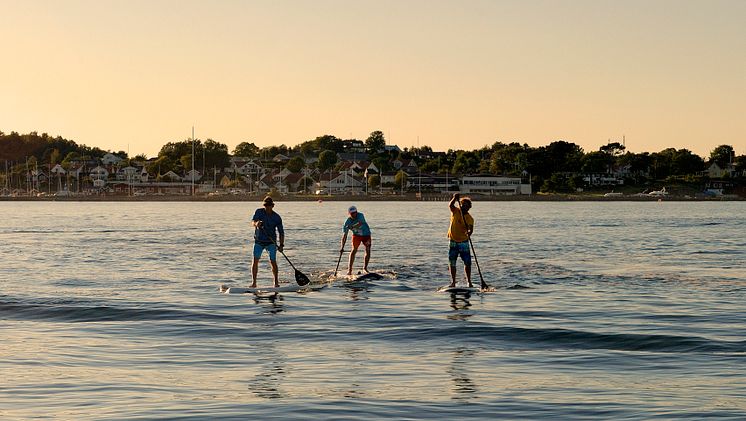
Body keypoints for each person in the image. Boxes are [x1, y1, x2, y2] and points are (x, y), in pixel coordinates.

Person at [251, 196, 284, 288]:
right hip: (259, 241)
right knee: (255, 261)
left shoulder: (277, 217)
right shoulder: (259, 212)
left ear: (272, 206)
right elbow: (253, 222)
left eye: (269, 205)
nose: (267, 207)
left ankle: (276, 282)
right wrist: (256, 224)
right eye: (266, 205)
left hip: (271, 242)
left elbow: (281, 232)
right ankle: (254, 283)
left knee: (273, 261)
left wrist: (281, 245)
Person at [447, 193, 473, 288]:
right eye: (463, 205)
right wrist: (454, 198)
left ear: (469, 208)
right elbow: (450, 205)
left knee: (467, 262)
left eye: (467, 206)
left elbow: (471, 229)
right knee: (452, 262)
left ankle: (469, 282)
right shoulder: (455, 211)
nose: (464, 207)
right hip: (453, 241)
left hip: (463, 242)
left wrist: (469, 232)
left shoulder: (469, 218)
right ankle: (453, 282)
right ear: (460, 205)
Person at [341, 205, 371, 275]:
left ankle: (365, 268)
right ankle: (350, 270)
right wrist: (342, 247)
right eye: (352, 213)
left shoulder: (360, 215)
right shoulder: (347, 222)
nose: (354, 214)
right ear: (349, 214)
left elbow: (360, 223)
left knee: (368, 249)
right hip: (357, 236)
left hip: (366, 234)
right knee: (354, 250)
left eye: (355, 212)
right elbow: (344, 236)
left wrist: (351, 227)